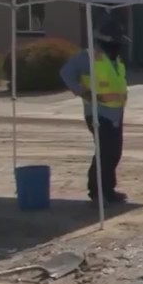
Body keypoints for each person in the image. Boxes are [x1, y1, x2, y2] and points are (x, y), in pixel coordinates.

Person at [60, 20, 130, 204]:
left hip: (115, 112)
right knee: (105, 153)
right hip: (98, 113)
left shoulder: (114, 57)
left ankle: (108, 189)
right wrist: (82, 92)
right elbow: (66, 73)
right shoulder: (88, 57)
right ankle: (97, 192)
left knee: (114, 153)